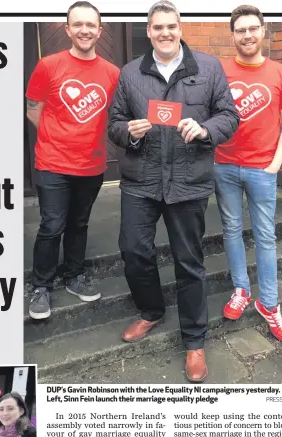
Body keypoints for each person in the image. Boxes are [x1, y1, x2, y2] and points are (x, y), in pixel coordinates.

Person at [108, 0, 239, 382]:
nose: (165, 32)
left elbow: (229, 115)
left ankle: (195, 341)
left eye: (171, 26)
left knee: (189, 262)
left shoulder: (208, 68)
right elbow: (114, 123)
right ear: (148, 31)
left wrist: (205, 130)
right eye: (157, 27)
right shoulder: (130, 73)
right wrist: (127, 133)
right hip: (141, 180)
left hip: (188, 181)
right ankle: (151, 311)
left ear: (180, 28)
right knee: (133, 250)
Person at [26, 1, 120, 319]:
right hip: (52, 163)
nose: (84, 30)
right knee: (52, 225)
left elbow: (117, 115)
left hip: (91, 165)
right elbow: (32, 107)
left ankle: (73, 276)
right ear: (67, 29)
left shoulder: (111, 73)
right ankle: (40, 285)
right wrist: (56, 136)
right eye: (77, 24)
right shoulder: (48, 65)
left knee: (79, 223)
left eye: (90, 25)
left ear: (99, 30)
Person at [214, 5, 282, 342]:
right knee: (231, 230)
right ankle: (241, 290)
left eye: (252, 28)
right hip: (225, 166)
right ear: (232, 35)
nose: (246, 35)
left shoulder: (280, 73)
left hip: (263, 168)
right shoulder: (219, 72)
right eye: (240, 30)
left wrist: (276, 164)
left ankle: (270, 304)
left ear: (262, 30)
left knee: (265, 237)